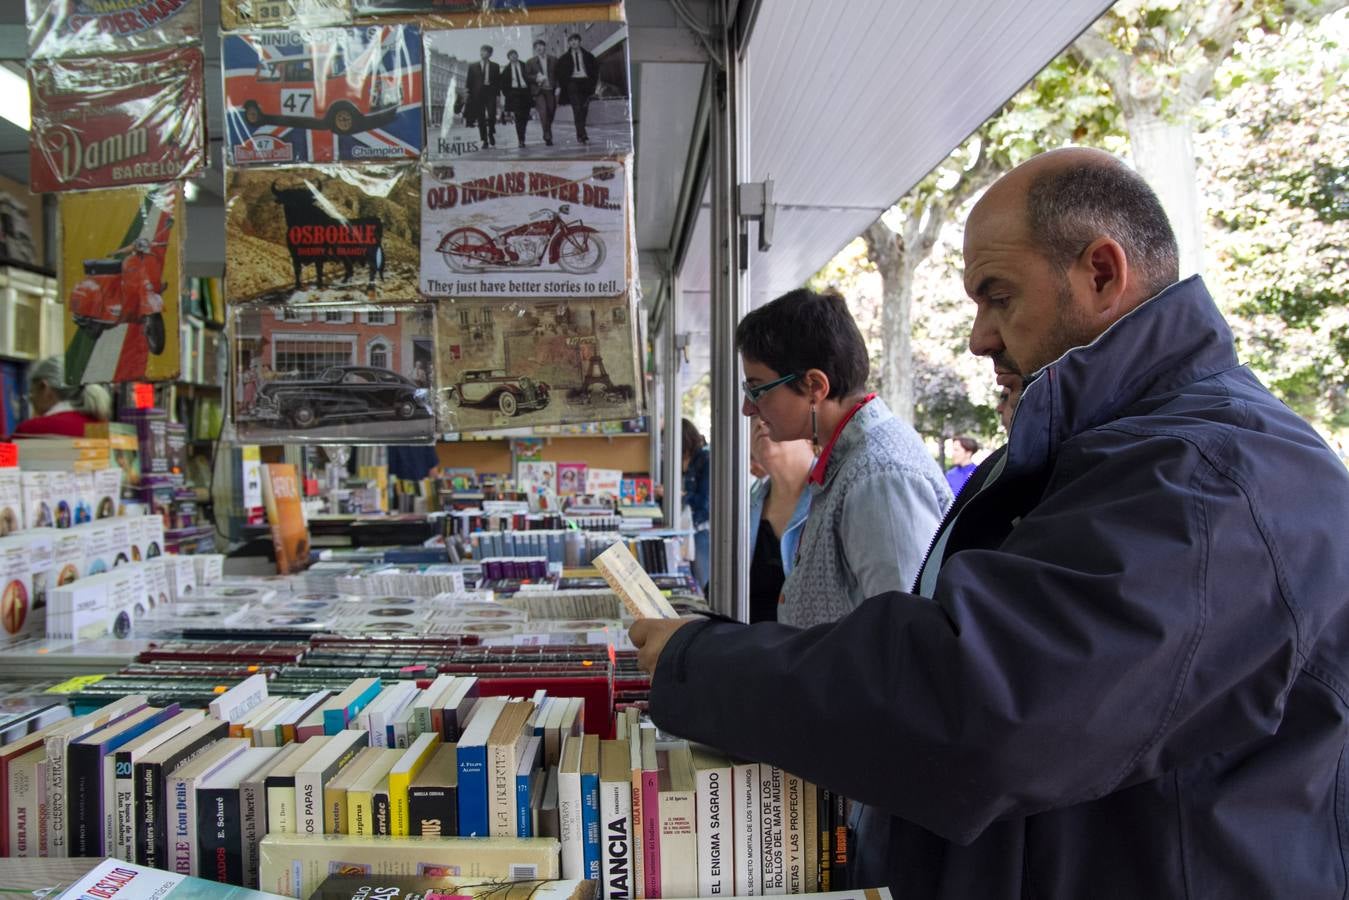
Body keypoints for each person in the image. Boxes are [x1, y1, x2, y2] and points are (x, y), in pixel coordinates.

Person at [630, 148, 1349, 896]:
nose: (978, 337)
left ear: (1101, 274)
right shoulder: (1123, 452)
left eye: (997, 297)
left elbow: (980, 706)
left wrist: (701, 662)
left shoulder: (1210, 479)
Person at [735, 286, 951, 627]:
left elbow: (906, 637)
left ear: (814, 386)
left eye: (757, 389)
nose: (749, 408)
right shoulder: (849, 461)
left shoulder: (880, 477)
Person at [746, 416, 814, 624]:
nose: (759, 422)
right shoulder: (746, 506)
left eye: (768, 411)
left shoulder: (836, 498)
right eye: (753, 417)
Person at [16, 355, 113, 437]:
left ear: (44, 387)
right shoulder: (102, 430)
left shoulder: (29, 430)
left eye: (32, 392)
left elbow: (5, 459)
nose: (30, 398)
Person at [680, 418, 710, 592]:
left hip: (701, 530)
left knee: (702, 582)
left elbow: (706, 503)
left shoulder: (704, 459)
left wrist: (681, 496)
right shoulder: (689, 461)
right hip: (691, 527)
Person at [554, 32, 597, 145]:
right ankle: (582, 135)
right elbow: (558, 72)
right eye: (571, 41)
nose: (573, 42)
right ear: (569, 43)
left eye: (575, 40)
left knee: (584, 109)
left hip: (585, 83)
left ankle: (580, 133)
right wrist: (563, 85)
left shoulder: (588, 56)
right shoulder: (564, 58)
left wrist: (593, 85)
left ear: (579, 42)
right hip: (572, 83)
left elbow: (595, 71)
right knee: (577, 109)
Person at [465, 45, 501, 148]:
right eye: (481, 51)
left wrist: (498, 95)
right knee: (480, 117)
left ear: (490, 54)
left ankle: (491, 133)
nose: (482, 53)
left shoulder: (495, 66)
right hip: (477, 95)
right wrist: (468, 93)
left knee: (491, 114)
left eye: (485, 51)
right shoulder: (472, 66)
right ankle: (484, 140)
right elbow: (469, 81)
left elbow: (498, 82)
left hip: (490, 93)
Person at [525, 39, 557, 146]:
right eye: (536, 47)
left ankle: (547, 130)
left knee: (551, 111)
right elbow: (527, 76)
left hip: (550, 90)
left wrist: (558, 87)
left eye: (541, 46)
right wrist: (536, 78)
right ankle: (547, 135)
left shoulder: (553, 59)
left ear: (544, 47)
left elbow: (558, 75)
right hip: (539, 91)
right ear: (535, 49)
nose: (539, 48)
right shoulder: (530, 62)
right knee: (543, 112)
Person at [502, 50, 533, 148]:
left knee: (525, 116)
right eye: (511, 56)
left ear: (517, 55)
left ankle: (522, 135)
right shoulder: (506, 70)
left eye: (515, 55)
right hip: (514, 94)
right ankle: (521, 139)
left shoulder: (525, 65)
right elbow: (503, 85)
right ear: (509, 58)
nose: (513, 57)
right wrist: (509, 94)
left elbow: (531, 78)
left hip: (526, 92)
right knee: (518, 117)